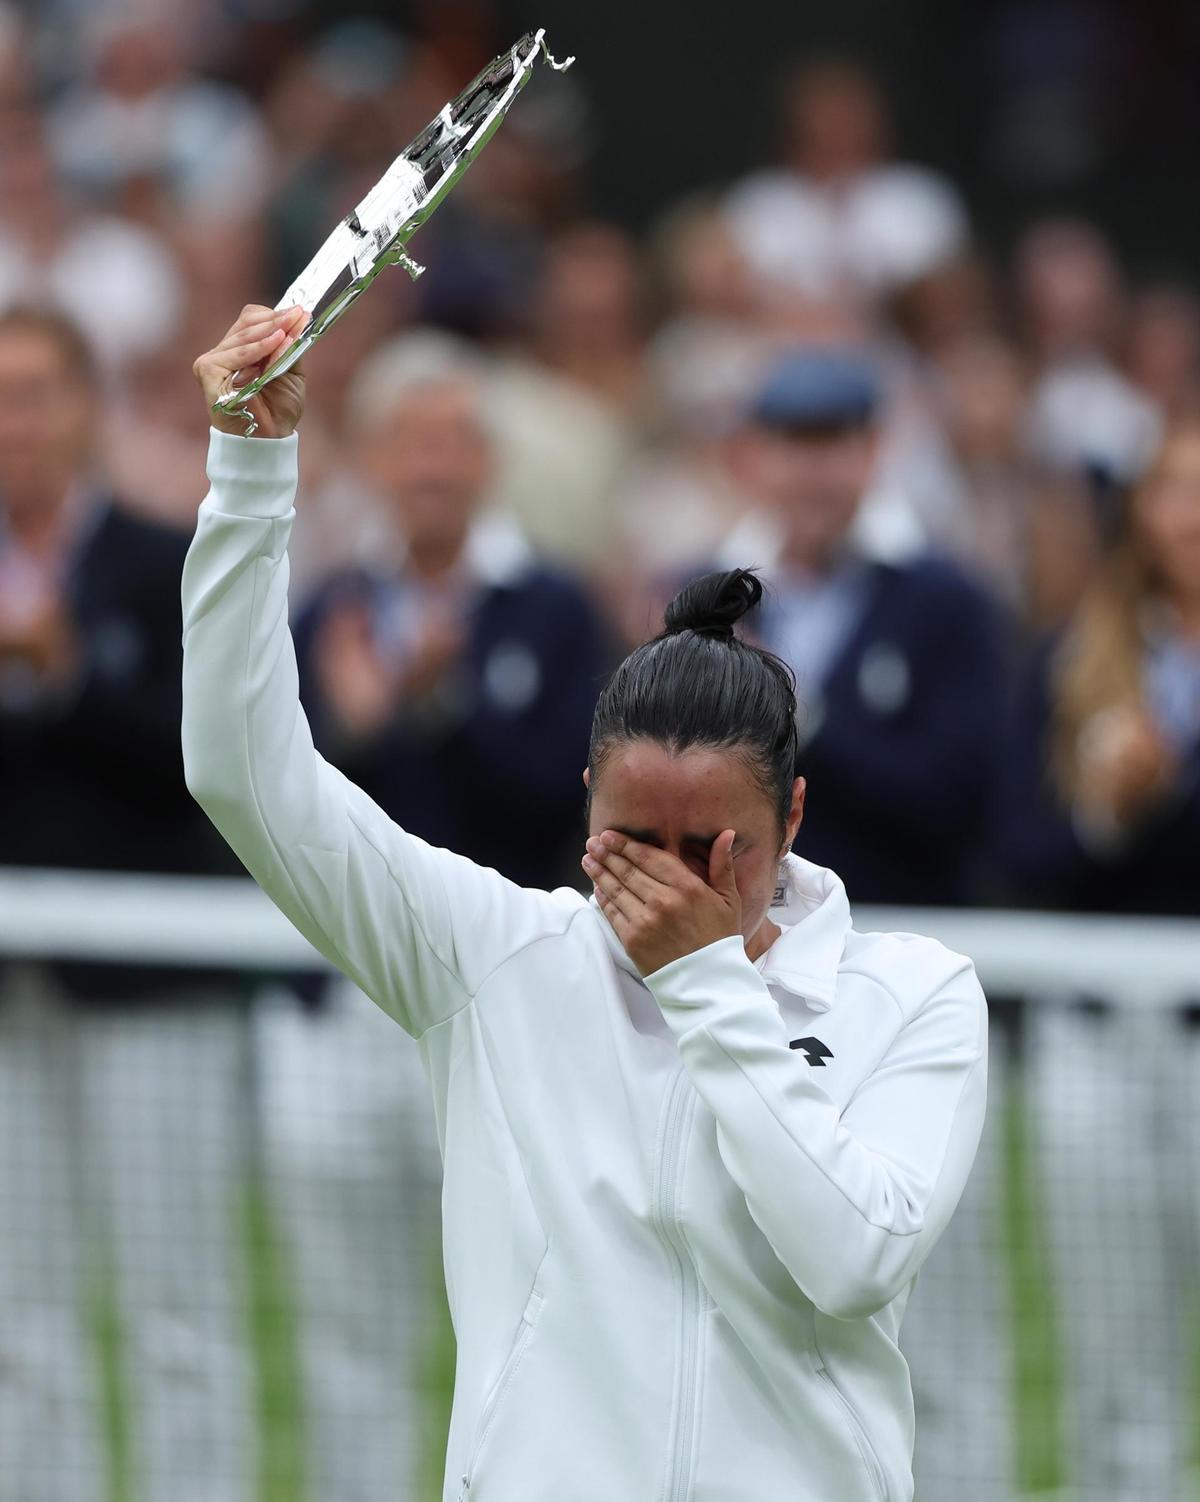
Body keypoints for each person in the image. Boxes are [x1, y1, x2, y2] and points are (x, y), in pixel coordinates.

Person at [186, 303, 988, 1502]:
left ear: (794, 820)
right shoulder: (496, 954)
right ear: (584, 803)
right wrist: (251, 473)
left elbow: (852, 1256)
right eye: (630, 841)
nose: (663, 879)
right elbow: (243, 770)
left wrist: (709, 979)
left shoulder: (916, 994)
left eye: (712, 848)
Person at [0, 305, 252, 1502]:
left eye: (39, 393)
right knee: (20, 1317)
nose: (17, 423)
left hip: (156, 991)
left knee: (179, 1310)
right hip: (13, 996)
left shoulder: (168, 561)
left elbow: (210, 765)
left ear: (86, 410)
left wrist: (69, 673)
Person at [1002, 414, 1200, 1500]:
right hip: (1098, 1048)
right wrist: (1104, 816)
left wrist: (1158, 800)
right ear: (1142, 512)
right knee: (1116, 1371)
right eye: (1178, 489)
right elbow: (1015, 852)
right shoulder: (1070, 658)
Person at [294, 330, 608, 890]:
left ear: (490, 459)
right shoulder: (333, 611)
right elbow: (286, 802)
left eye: (454, 442)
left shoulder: (557, 608)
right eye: (410, 443)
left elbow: (576, 801)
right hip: (359, 936)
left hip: (516, 931)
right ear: (371, 458)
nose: (432, 470)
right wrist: (350, 733)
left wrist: (442, 707)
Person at [717, 345, 1006, 905]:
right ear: (753, 455)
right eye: (793, 446)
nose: (812, 474)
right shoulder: (706, 591)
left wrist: (796, 713)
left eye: (832, 445)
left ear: (874, 451)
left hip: (897, 935)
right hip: (739, 935)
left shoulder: (948, 601)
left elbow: (959, 797)